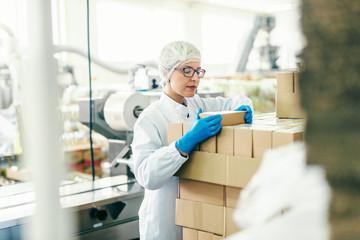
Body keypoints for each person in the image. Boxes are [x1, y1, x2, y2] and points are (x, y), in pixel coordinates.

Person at [131, 40, 253, 240]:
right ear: (165, 73)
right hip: (165, 219)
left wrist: (243, 109)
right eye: (187, 70)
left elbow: (236, 100)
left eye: (198, 71)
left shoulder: (198, 104)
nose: (195, 78)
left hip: (198, 217)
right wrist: (182, 145)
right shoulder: (151, 118)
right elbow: (146, 176)